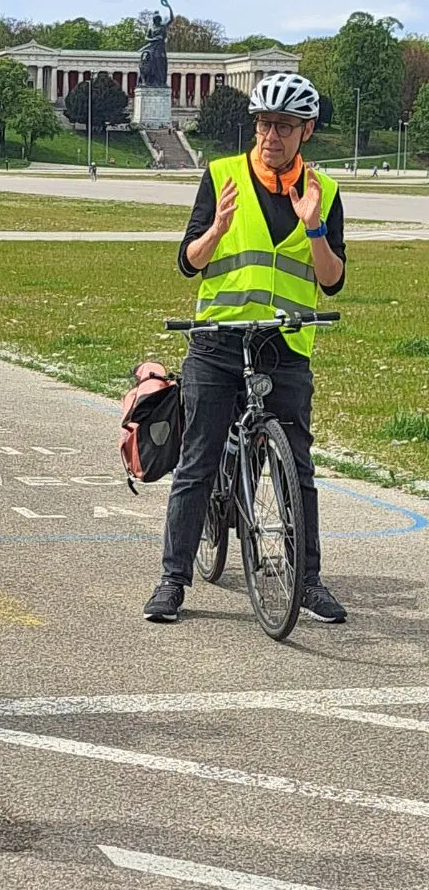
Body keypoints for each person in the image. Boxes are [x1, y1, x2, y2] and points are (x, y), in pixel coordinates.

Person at [143, 72, 348, 626]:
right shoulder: (222, 176)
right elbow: (189, 261)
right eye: (262, 124)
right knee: (199, 460)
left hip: (284, 343)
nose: (270, 135)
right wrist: (217, 229)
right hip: (217, 340)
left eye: (283, 126)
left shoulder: (323, 193)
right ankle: (172, 580)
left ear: (306, 131)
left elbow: (331, 281)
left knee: (297, 466)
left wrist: (315, 231)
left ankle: (306, 581)